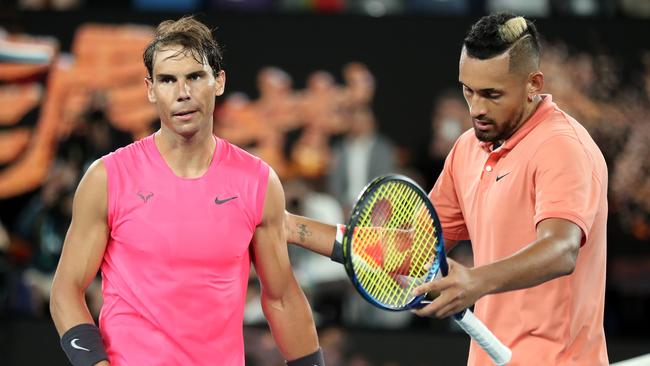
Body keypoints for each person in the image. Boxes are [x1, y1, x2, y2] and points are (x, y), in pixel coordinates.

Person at [286, 12, 608, 365]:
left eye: (492, 94)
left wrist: (476, 281)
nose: (477, 109)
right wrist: (290, 227)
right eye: (468, 91)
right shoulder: (467, 150)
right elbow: (410, 252)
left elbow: (561, 249)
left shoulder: (563, 147)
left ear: (533, 84)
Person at [50, 16, 324, 366]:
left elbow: (282, 298)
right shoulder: (108, 177)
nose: (183, 93)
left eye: (195, 76)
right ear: (150, 89)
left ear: (219, 81)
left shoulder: (256, 181)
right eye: (167, 80)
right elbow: (65, 290)